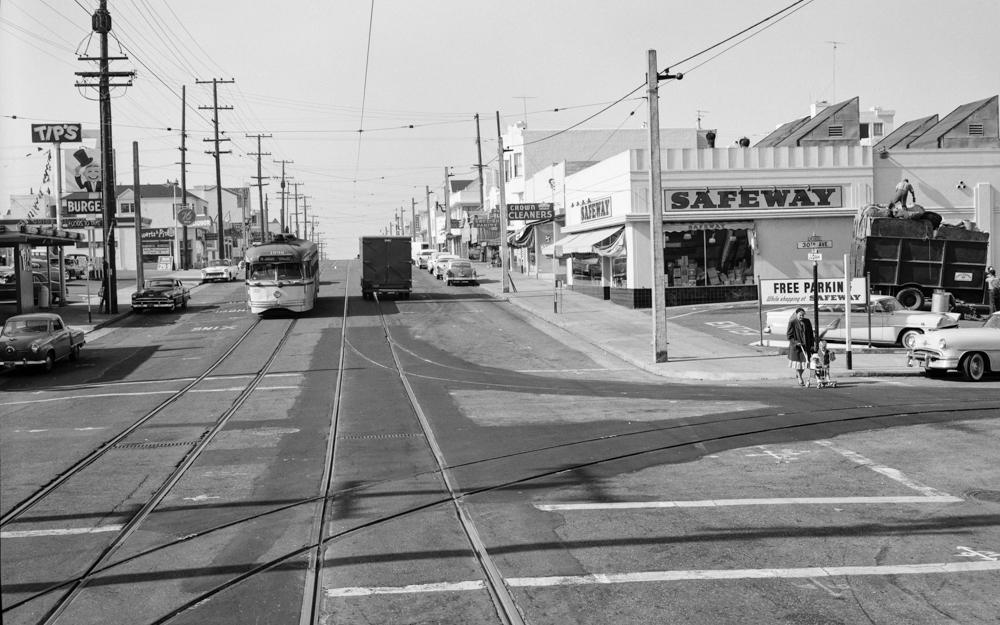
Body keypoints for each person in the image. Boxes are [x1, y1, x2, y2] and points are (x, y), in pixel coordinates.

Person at [786, 307, 814, 387]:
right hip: (797, 347)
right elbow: (789, 336)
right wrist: (796, 342)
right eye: (800, 315)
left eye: (803, 315)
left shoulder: (807, 321)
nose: (802, 317)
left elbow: (811, 334)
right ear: (796, 314)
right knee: (798, 364)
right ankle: (800, 377)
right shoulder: (792, 322)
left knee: (805, 363)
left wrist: (812, 344)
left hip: (806, 346)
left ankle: (799, 375)